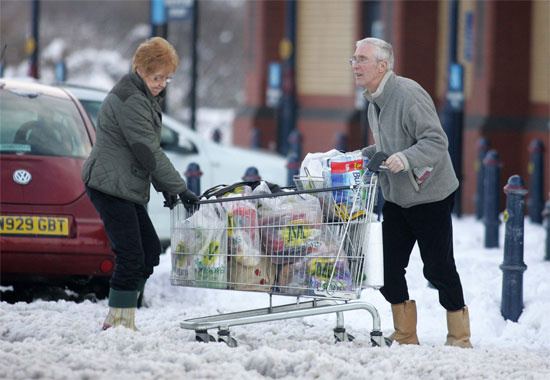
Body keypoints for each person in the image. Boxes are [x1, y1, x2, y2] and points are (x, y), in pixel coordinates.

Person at [353, 37, 472, 348]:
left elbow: (435, 141)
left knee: (438, 267)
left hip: (430, 194)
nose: (355, 65)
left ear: (383, 65)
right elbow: (388, 145)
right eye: (353, 59)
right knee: (386, 267)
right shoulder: (374, 101)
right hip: (397, 196)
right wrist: (361, 156)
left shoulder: (407, 94)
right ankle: (406, 333)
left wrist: (405, 159)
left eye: (362, 59)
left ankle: (459, 336)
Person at [82, 37, 199, 330]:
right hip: (109, 186)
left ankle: (125, 311)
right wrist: (178, 188)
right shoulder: (131, 99)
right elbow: (147, 149)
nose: (161, 83)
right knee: (131, 255)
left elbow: (144, 153)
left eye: (166, 78)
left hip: (124, 185)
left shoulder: (141, 95)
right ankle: (118, 322)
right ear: (139, 69)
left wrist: (165, 189)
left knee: (147, 250)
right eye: (155, 76)